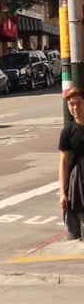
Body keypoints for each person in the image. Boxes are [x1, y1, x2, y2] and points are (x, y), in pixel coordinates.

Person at [60, 87, 84, 241]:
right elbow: (63, 162)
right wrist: (62, 192)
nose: (75, 107)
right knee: (75, 233)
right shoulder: (67, 131)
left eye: (78, 103)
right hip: (78, 185)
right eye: (71, 104)